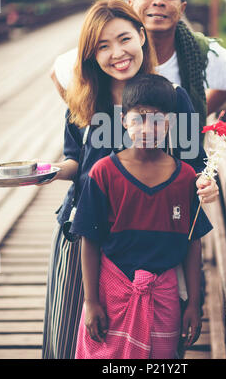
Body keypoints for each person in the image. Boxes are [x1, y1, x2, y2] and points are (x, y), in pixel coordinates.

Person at [42, 0, 219, 359]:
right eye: (102, 46)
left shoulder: (173, 99)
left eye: (123, 39)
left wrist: (207, 184)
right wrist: (46, 173)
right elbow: (77, 162)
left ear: (141, 35)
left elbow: (193, 163)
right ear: (91, 55)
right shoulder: (85, 101)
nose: (117, 53)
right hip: (86, 236)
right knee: (78, 339)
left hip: (153, 246)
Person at [71, 74, 213, 359]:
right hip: (113, 289)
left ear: (171, 123)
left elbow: (192, 243)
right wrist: (91, 301)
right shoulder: (103, 173)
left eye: (158, 120)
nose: (147, 128)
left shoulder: (185, 177)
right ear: (124, 120)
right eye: (139, 118)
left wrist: (194, 305)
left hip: (164, 292)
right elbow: (90, 240)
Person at [50, 0, 226, 133]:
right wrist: (88, 116)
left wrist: (194, 114)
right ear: (130, 4)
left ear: (182, 8)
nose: (158, 2)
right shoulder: (104, 55)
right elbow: (57, 72)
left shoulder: (198, 52)